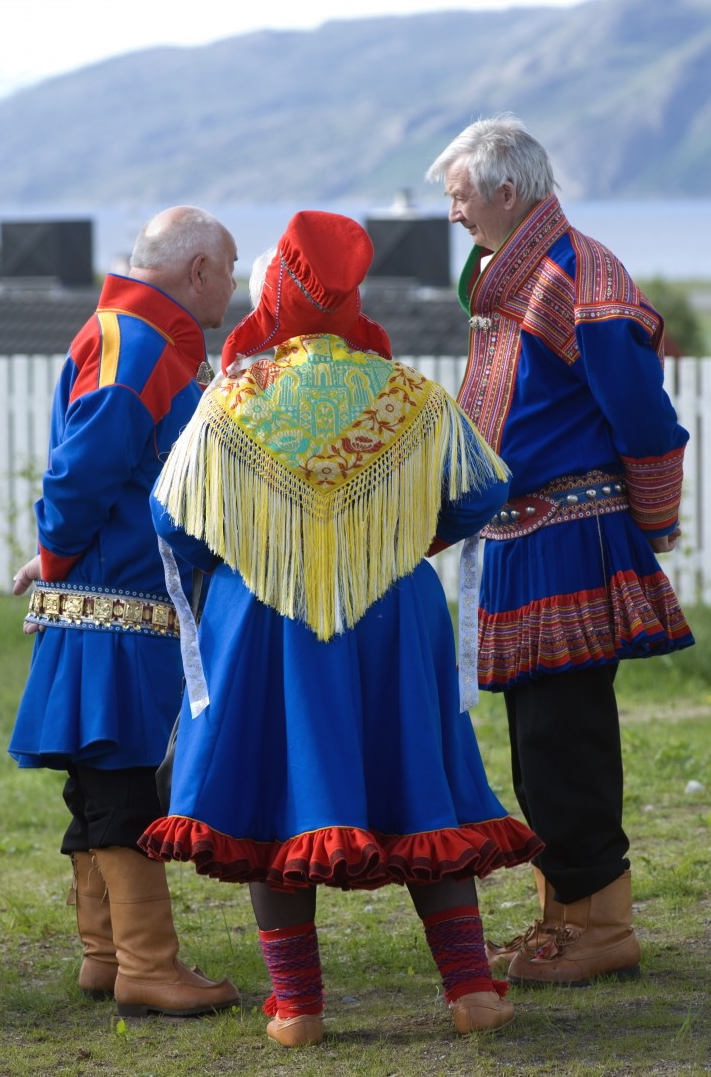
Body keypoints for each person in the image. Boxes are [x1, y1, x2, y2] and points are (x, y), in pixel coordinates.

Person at [138, 210, 544, 1047]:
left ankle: (297, 1010)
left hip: (264, 619)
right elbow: (482, 491)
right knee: (417, 782)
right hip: (390, 611)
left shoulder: (236, 396)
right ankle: (470, 991)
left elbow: (170, 518)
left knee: (276, 795)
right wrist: (394, 536)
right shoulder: (407, 395)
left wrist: (256, 536)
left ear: (277, 295)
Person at [425, 115, 694, 987]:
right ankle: (562, 919)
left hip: (571, 537)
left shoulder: (580, 274)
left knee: (566, 736)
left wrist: (652, 521)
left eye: (460, 197)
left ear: (507, 192)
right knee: (538, 738)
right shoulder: (515, 277)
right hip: (523, 535)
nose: (455, 213)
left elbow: (643, 415)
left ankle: (599, 928)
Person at [9, 206, 241, 1018]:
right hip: (120, 605)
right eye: (231, 267)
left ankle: (105, 956)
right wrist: (58, 559)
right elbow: (78, 479)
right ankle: (145, 965)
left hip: (120, 599)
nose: (236, 285)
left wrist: (57, 561)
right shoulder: (137, 342)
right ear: (199, 271)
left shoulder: (139, 338)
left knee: (105, 777)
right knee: (118, 780)